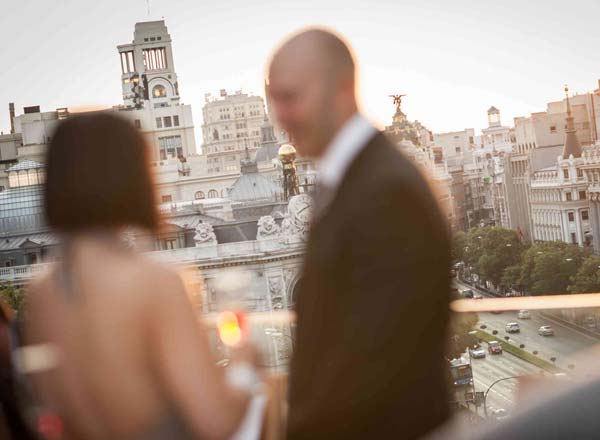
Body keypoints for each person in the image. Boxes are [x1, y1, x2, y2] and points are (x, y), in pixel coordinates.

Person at [21, 112, 260, 439]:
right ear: (134, 179)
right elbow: (216, 422)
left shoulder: (43, 290)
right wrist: (244, 365)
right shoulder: (154, 283)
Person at [268, 28, 452, 439]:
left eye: (291, 96)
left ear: (342, 89)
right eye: (273, 98)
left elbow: (377, 362)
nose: (280, 116)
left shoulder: (387, 191)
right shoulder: (353, 180)